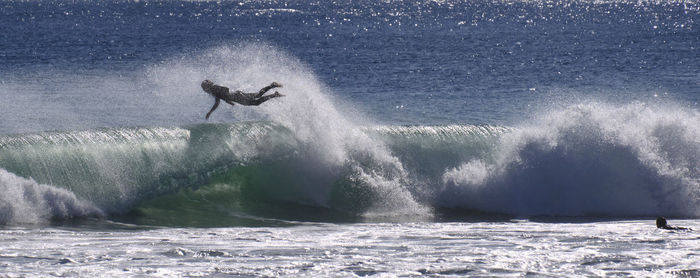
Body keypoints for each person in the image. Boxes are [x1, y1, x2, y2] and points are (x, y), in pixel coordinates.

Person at [200, 80, 284, 119]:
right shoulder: (214, 91)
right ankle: (273, 90)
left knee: (257, 100)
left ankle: (273, 89)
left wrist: (226, 99)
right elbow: (218, 100)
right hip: (237, 97)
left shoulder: (214, 88)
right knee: (257, 96)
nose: (204, 89)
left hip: (237, 96)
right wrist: (227, 100)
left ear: (207, 86)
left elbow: (225, 89)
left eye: (204, 87)